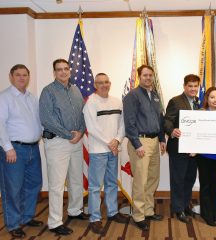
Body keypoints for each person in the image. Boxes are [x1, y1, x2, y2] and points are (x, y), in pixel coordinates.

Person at [39, 58, 88, 236]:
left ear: (70, 71)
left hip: (76, 140)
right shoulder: (48, 91)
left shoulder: (75, 91)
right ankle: (54, 221)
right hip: (58, 142)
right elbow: (47, 119)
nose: (63, 72)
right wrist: (70, 135)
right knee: (57, 184)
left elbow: (84, 115)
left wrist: (80, 132)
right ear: (54, 73)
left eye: (66, 69)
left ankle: (75, 210)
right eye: (59, 69)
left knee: (75, 179)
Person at [83, 73, 129, 234]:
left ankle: (112, 213)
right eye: (100, 83)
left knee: (111, 183)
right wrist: (110, 143)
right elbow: (92, 128)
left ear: (110, 83)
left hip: (114, 150)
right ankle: (95, 218)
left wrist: (117, 140)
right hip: (98, 151)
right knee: (95, 187)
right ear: (95, 85)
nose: (104, 85)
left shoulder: (117, 101)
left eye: (106, 82)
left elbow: (123, 124)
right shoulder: (91, 103)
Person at [0, 64, 43, 238]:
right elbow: (0, 124)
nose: (22, 78)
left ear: (28, 77)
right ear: (11, 77)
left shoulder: (32, 98)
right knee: (13, 188)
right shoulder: (4, 97)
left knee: (34, 184)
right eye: (18, 75)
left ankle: (27, 216)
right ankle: (13, 224)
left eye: (25, 75)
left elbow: (37, 121)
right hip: (14, 150)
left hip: (33, 148)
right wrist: (8, 148)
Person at [123, 65, 166, 231]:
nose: (148, 78)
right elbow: (129, 122)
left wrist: (162, 139)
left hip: (155, 142)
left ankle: (148, 210)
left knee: (152, 178)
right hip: (140, 142)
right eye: (145, 75)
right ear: (139, 77)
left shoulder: (155, 96)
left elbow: (160, 120)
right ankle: (138, 215)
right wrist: (137, 144)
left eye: (150, 75)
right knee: (140, 180)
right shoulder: (132, 96)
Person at [164, 74, 200, 223]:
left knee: (189, 179)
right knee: (178, 179)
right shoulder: (175, 101)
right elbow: (166, 120)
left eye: (195, 86)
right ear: (184, 86)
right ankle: (178, 209)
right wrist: (172, 131)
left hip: (193, 150)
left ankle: (185, 205)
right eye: (190, 86)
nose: (193, 89)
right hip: (178, 148)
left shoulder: (198, 102)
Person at [196, 87, 216, 226]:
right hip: (204, 156)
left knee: (215, 186)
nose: (215, 100)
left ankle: (214, 212)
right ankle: (206, 214)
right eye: (212, 97)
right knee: (206, 186)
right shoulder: (201, 113)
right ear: (207, 99)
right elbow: (195, 134)